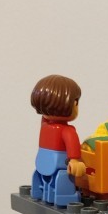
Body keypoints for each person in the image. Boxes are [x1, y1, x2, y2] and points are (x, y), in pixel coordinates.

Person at [30, 74, 86, 206]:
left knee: (44, 176)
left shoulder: (45, 125)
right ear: (73, 104)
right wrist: (74, 160)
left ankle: (40, 192)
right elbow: (72, 147)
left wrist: (45, 104)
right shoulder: (67, 130)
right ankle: (65, 196)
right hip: (60, 166)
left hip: (42, 162)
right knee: (66, 178)